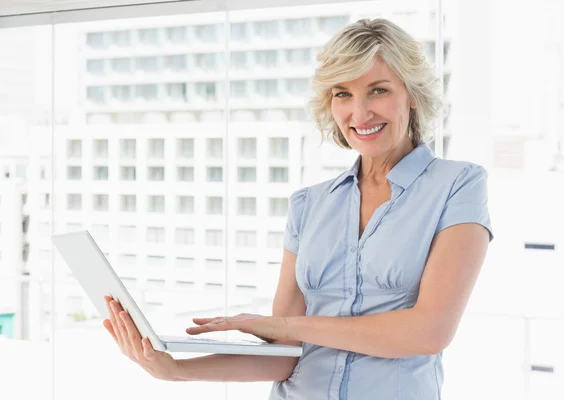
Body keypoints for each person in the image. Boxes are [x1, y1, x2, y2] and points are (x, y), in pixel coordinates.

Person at [103, 18, 493, 399]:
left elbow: (428, 333)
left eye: (378, 90)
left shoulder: (457, 185)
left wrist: (286, 325)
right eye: (343, 94)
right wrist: (173, 370)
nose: (359, 114)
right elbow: (285, 358)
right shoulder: (309, 204)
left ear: (412, 94)